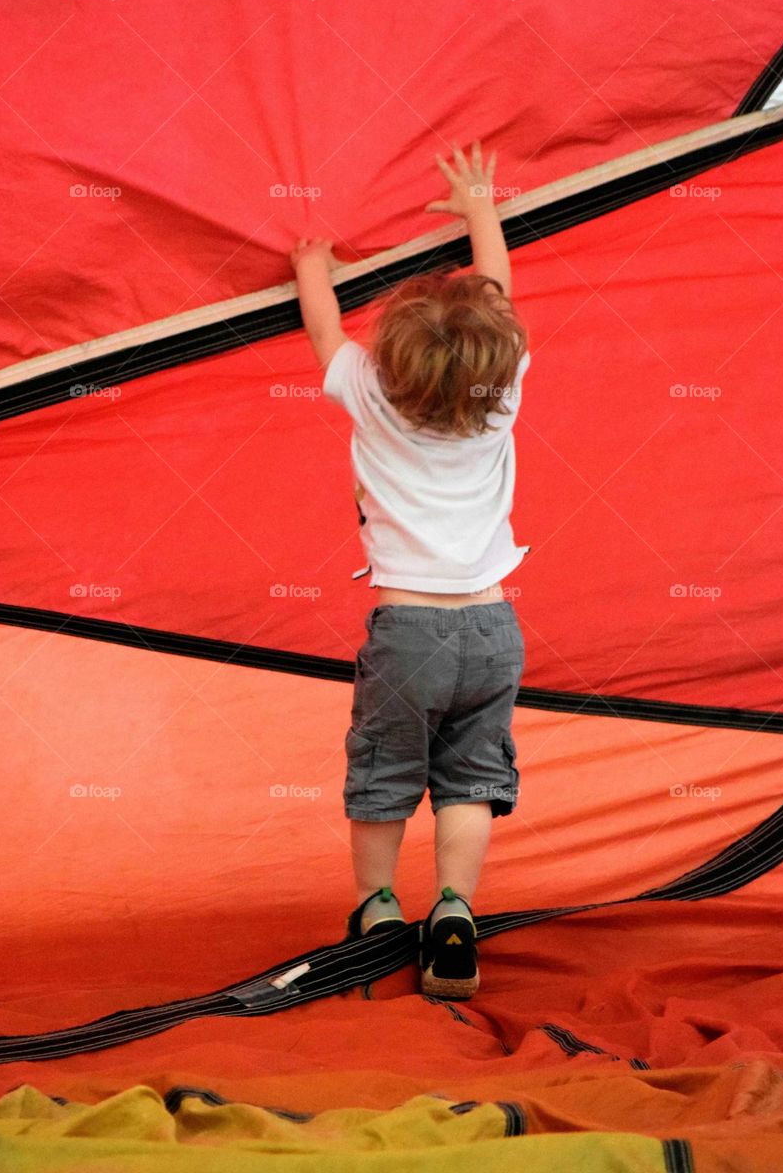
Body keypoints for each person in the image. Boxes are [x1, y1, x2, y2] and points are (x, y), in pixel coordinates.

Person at [290, 141, 529, 999]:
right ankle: (456, 909)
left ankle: (378, 909)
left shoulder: (366, 387)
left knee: (385, 771)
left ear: (389, 359)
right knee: (470, 776)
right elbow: (495, 297)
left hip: (408, 633)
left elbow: (324, 328)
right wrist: (478, 208)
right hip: (494, 629)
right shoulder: (502, 395)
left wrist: (312, 261)